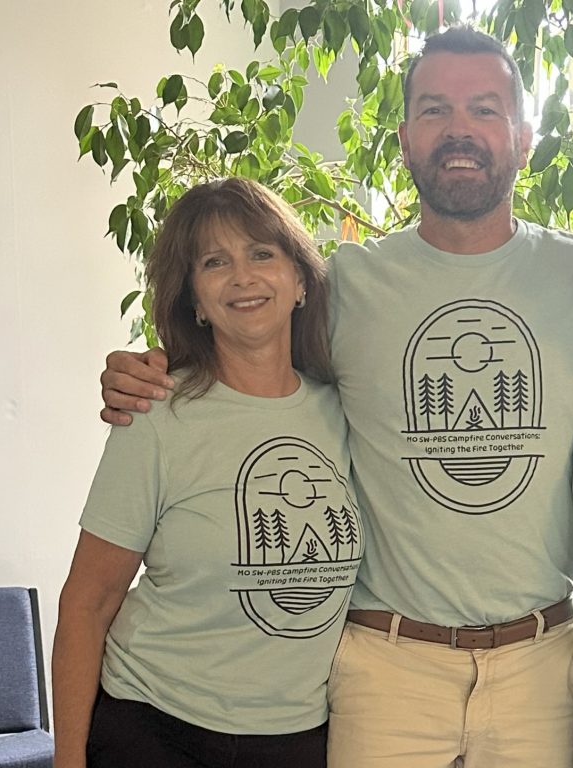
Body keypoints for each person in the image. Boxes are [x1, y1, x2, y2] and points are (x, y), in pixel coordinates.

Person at [96, 27, 573, 768]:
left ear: (521, 137)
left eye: (484, 109)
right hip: (388, 667)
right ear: (404, 138)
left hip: (538, 669)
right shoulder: (345, 285)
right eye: (435, 110)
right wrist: (155, 367)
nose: (459, 130)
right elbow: (250, 354)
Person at [53, 178, 362, 768]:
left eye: (262, 254)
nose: (243, 277)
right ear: (194, 298)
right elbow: (88, 602)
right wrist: (68, 760)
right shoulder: (154, 416)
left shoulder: (348, 410)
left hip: (299, 736)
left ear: (300, 281)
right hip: (155, 727)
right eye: (215, 262)